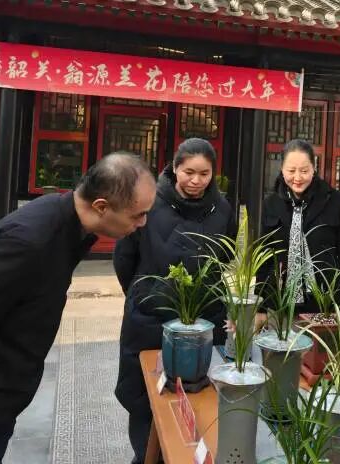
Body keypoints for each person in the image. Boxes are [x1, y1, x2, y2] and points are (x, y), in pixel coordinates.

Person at [0, 153, 156, 464]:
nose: (143, 223)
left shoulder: (67, 225)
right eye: (138, 215)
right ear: (101, 207)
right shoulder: (28, 243)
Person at [113, 138, 235, 464]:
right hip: (150, 319)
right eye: (188, 172)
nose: (196, 180)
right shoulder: (148, 201)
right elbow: (124, 258)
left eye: (204, 174)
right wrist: (143, 294)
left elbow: (224, 258)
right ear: (175, 168)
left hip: (205, 320)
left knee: (200, 401)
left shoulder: (222, 209)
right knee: (146, 401)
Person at [257, 138, 340, 317]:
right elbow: (263, 259)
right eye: (291, 171)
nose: (297, 178)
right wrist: (261, 308)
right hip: (279, 305)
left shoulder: (335, 202)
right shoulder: (270, 204)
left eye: (304, 171)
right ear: (282, 169)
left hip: (323, 304)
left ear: (313, 168)